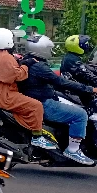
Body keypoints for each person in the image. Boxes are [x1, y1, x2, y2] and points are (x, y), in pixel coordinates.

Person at [0, 28, 56, 149]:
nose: (14, 42)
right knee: (36, 106)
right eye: (12, 39)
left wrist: (22, 62)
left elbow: (10, 69)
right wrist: (27, 65)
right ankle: (37, 137)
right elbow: (16, 76)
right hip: (3, 95)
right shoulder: (4, 57)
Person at [18, 35, 96, 165]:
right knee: (81, 115)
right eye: (49, 48)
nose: (51, 51)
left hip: (40, 97)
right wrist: (89, 89)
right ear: (41, 49)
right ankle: (73, 150)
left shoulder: (30, 61)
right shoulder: (39, 67)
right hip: (43, 102)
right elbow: (61, 82)